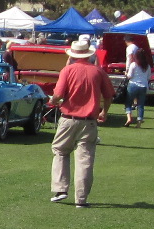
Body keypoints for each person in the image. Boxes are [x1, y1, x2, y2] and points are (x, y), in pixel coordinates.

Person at [47, 36, 112, 208]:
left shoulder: (67, 71)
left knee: (60, 151)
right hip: (89, 121)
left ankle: (61, 189)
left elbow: (59, 95)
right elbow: (109, 94)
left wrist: (53, 100)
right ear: (88, 54)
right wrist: (104, 112)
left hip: (69, 119)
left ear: (73, 54)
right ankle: (81, 199)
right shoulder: (98, 71)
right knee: (85, 159)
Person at [124, 45, 151, 126]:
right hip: (143, 86)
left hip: (133, 85)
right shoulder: (147, 66)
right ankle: (139, 121)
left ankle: (129, 118)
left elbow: (129, 76)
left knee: (128, 102)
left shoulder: (133, 65)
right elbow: (149, 77)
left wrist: (126, 74)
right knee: (141, 104)